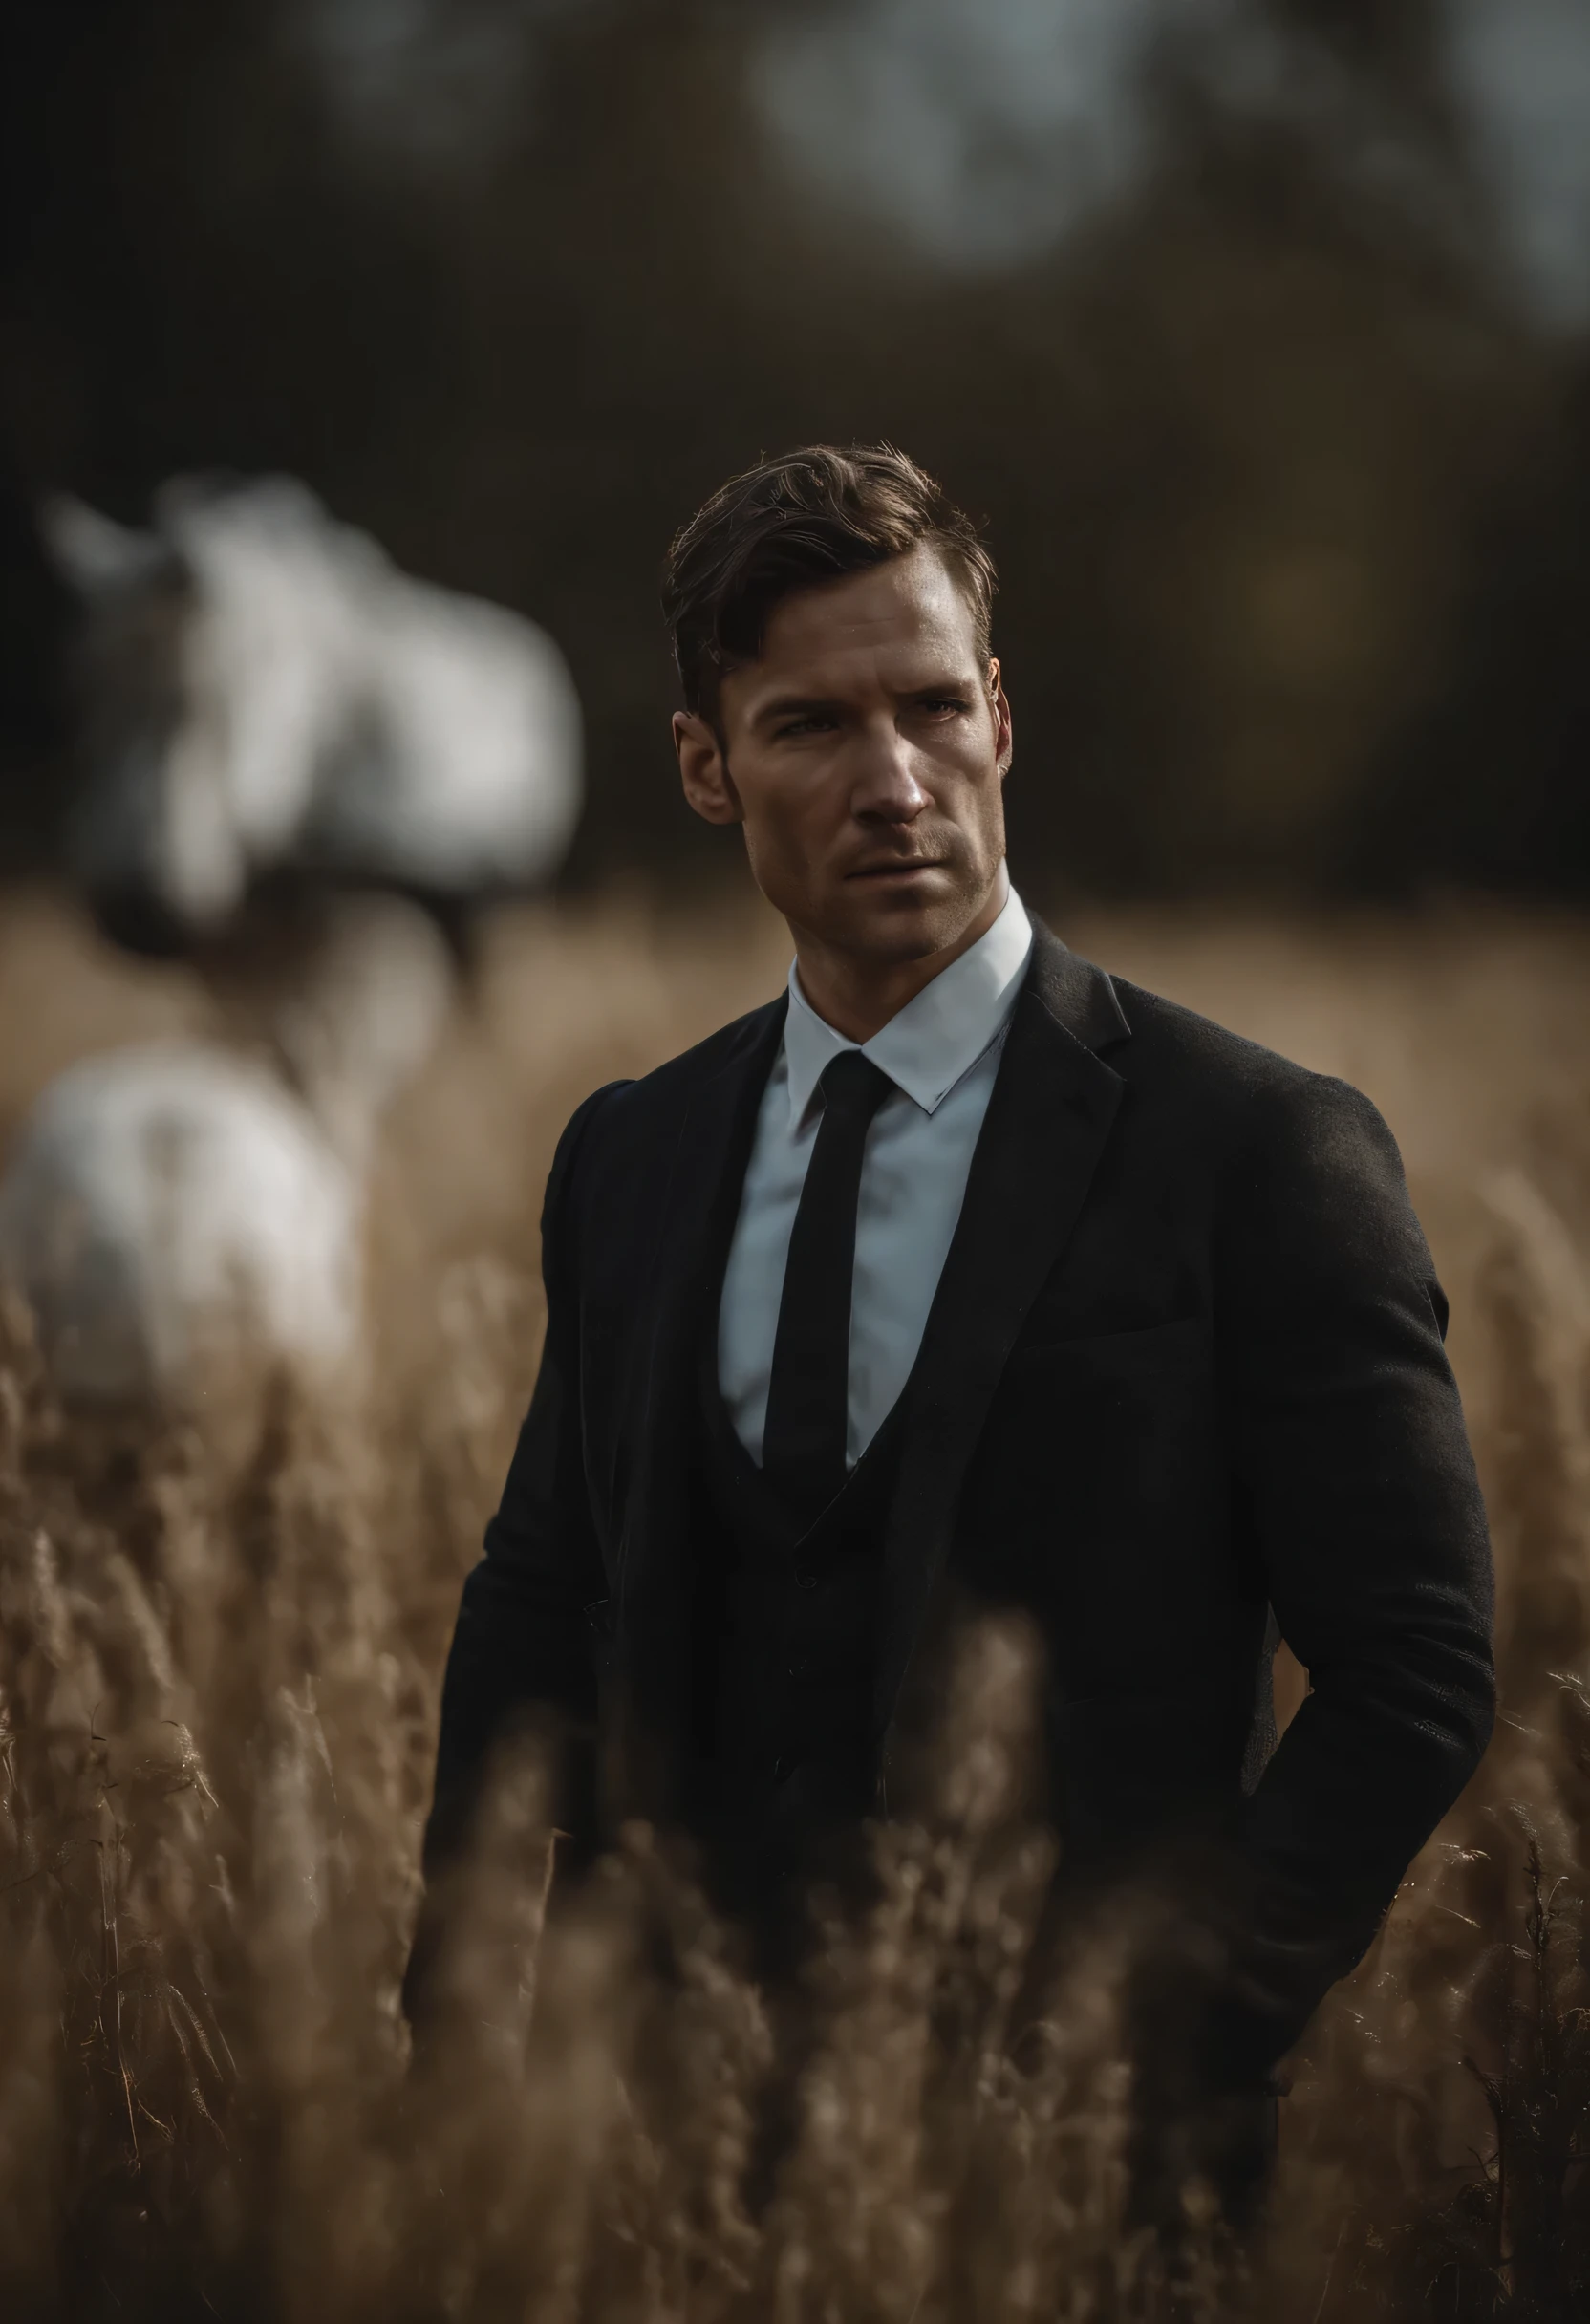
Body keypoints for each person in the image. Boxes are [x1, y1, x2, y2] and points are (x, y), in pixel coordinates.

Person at [407, 443, 1494, 2206]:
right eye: (812, 728)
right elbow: (541, 1590)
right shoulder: (631, 1154)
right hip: (661, 2153)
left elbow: (1419, 1669)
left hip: (1072, 2179)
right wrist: (461, 2014)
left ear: (1000, 716)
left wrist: (1167, 2041)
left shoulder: (1260, 1150)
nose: (894, 781)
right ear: (706, 764)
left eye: (930, 708)